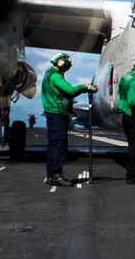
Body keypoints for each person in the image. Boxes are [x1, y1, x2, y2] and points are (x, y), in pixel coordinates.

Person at [41, 52, 97, 187]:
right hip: (57, 114)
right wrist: (84, 87)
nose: (67, 67)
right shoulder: (54, 76)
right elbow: (70, 91)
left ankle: (52, 175)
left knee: (54, 145)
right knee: (59, 145)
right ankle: (56, 175)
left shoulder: (51, 74)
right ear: (60, 62)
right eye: (67, 65)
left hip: (55, 113)